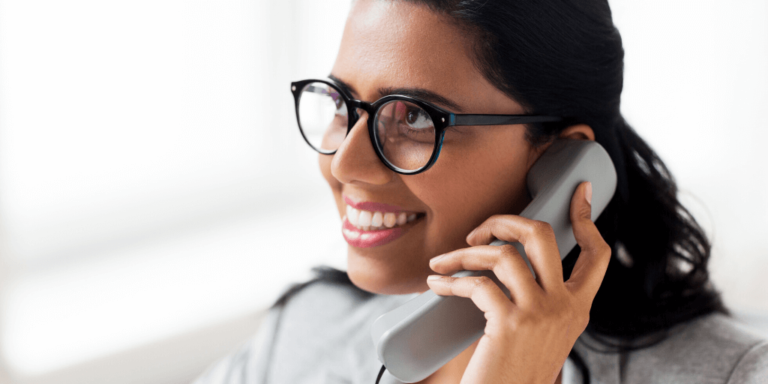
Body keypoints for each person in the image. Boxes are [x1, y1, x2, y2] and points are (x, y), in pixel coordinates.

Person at [193, 1, 768, 383]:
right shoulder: (303, 334)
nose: (345, 164)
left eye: (414, 119)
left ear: (559, 160)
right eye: (343, 105)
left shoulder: (727, 374)